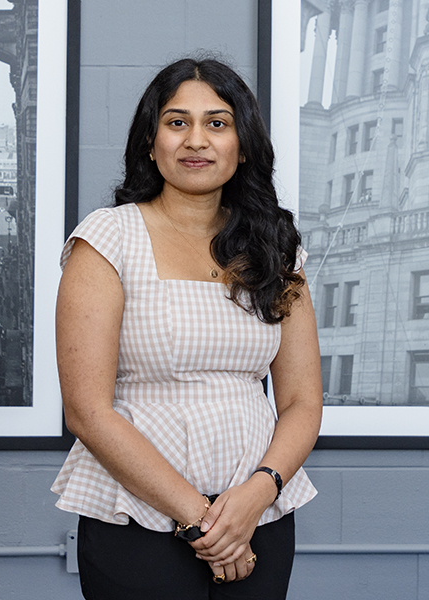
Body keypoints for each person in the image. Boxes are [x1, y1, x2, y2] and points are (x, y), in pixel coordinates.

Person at [52, 57, 322, 600]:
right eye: (176, 122)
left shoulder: (276, 249)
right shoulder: (107, 239)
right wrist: (204, 521)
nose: (196, 139)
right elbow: (87, 410)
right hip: (138, 525)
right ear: (151, 143)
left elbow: (302, 402)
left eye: (217, 123)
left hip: (259, 521)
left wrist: (256, 494)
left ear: (242, 145)